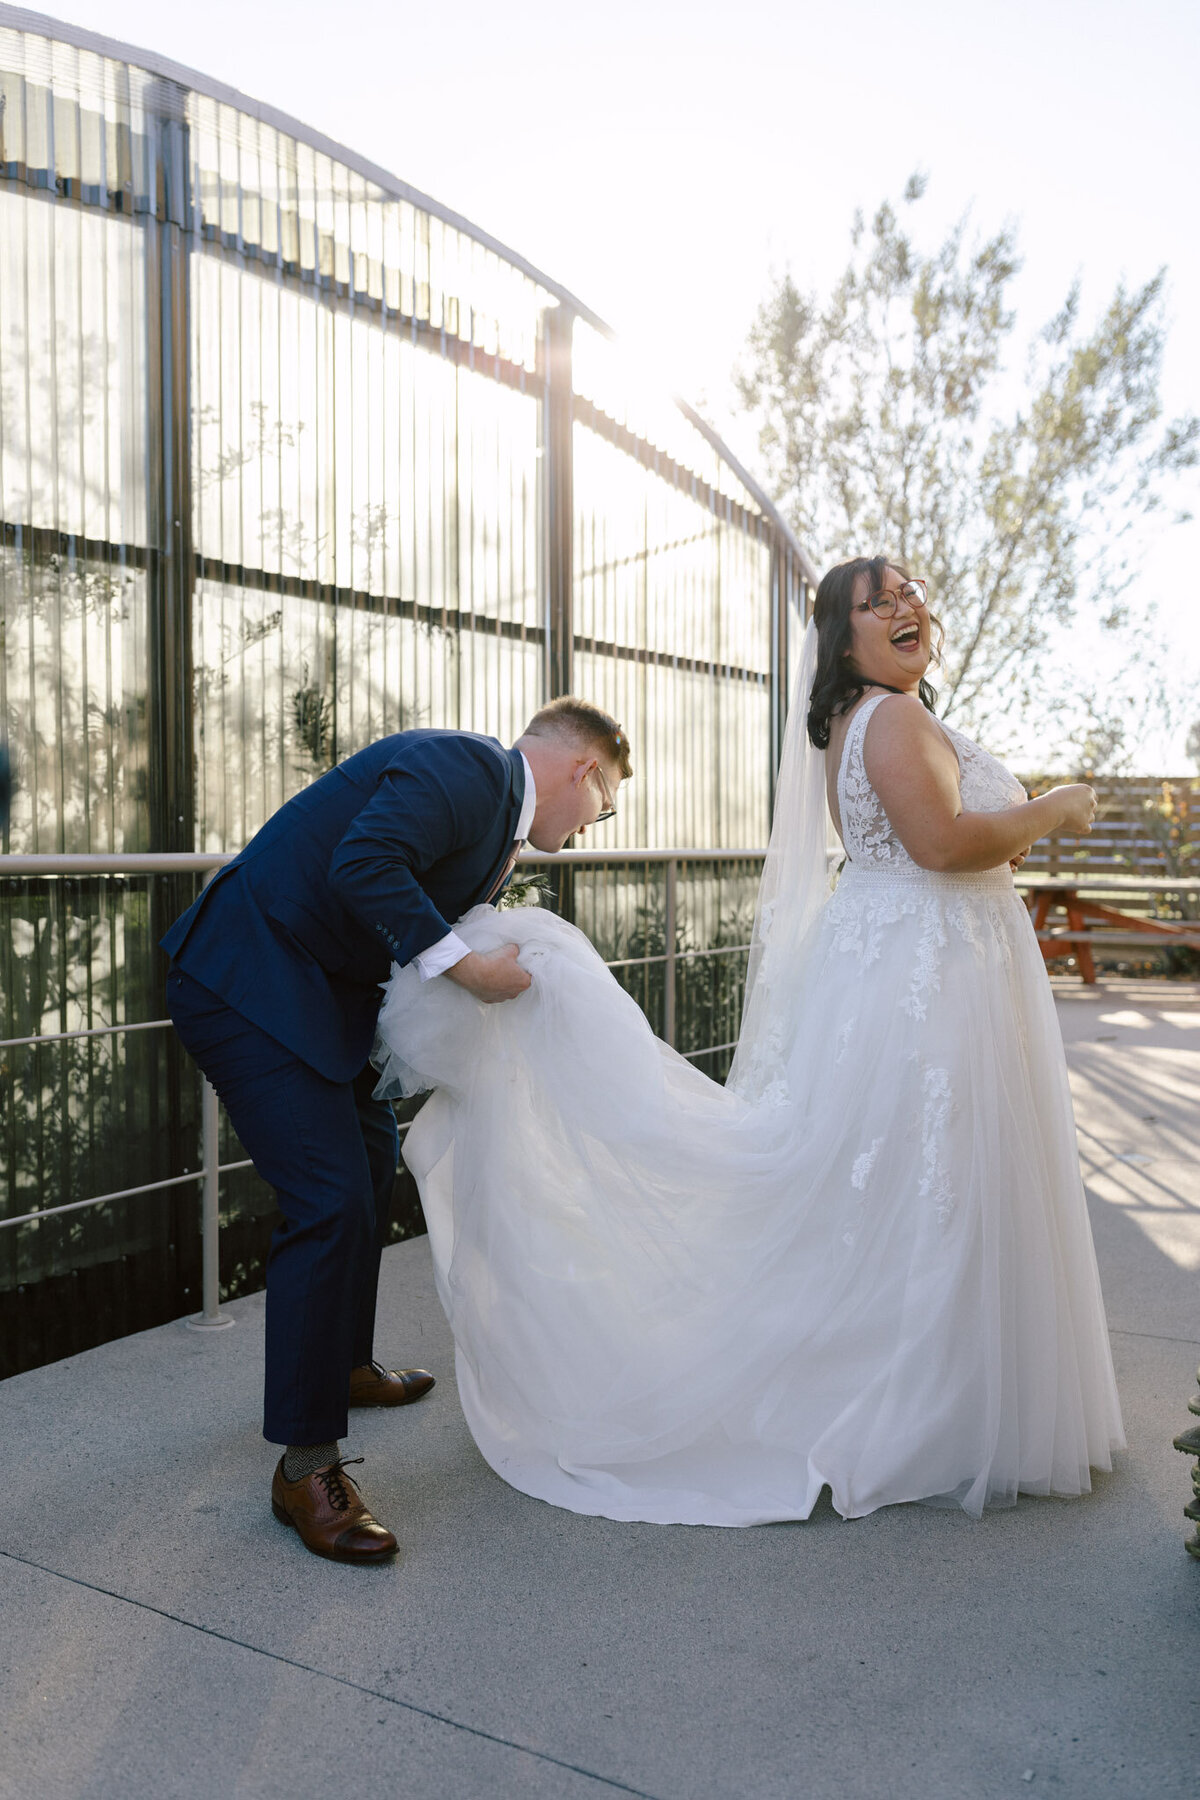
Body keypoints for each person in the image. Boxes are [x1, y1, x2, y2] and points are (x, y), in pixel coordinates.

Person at [374, 556, 1124, 1525]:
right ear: (841, 639)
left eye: (907, 591)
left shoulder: (865, 722)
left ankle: (945, 1392)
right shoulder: (889, 717)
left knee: (912, 1182)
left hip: (919, 962)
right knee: (937, 1176)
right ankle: (933, 1406)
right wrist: (1059, 805)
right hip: (933, 972)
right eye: (875, 601)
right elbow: (941, 845)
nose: (905, 606)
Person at [163, 701, 632, 1562]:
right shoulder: (470, 770)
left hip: (312, 1000)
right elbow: (365, 861)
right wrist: (468, 969)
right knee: (330, 1199)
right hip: (247, 984)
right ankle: (305, 1467)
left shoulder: (494, 813)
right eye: (604, 806)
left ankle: (341, 1364)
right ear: (585, 771)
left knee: (371, 1159)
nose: (595, 824)